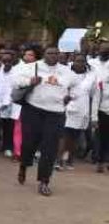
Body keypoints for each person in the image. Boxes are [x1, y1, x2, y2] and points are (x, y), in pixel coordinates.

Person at [13, 46, 76, 196]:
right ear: (44, 55)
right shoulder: (32, 67)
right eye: (50, 53)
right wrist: (30, 80)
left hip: (56, 113)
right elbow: (16, 81)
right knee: (29, 143)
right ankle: (23, 165)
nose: (53, 56)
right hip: (33, 110)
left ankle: (44, 181)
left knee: (50, 148)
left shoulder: (66, 71)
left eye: (56, 53)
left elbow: (77, 87)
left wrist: (71, 96)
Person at [59, 53, 95, 171]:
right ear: (73, 62)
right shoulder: (67, 74)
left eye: (82, 61)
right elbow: (63, 88)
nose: (79, 63)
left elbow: (91, 93)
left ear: (86, 63)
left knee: (75, 137)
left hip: (83, 109)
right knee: (65, 136)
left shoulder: (90, 76)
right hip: (68, 108)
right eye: (77, 61)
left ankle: (69, 160)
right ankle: (59, 160)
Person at [92, 41, 109, 173]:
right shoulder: (102, 84)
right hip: (103, 110)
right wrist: (94, 116)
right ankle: (100, 161)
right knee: (103, 137)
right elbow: (97, 97)